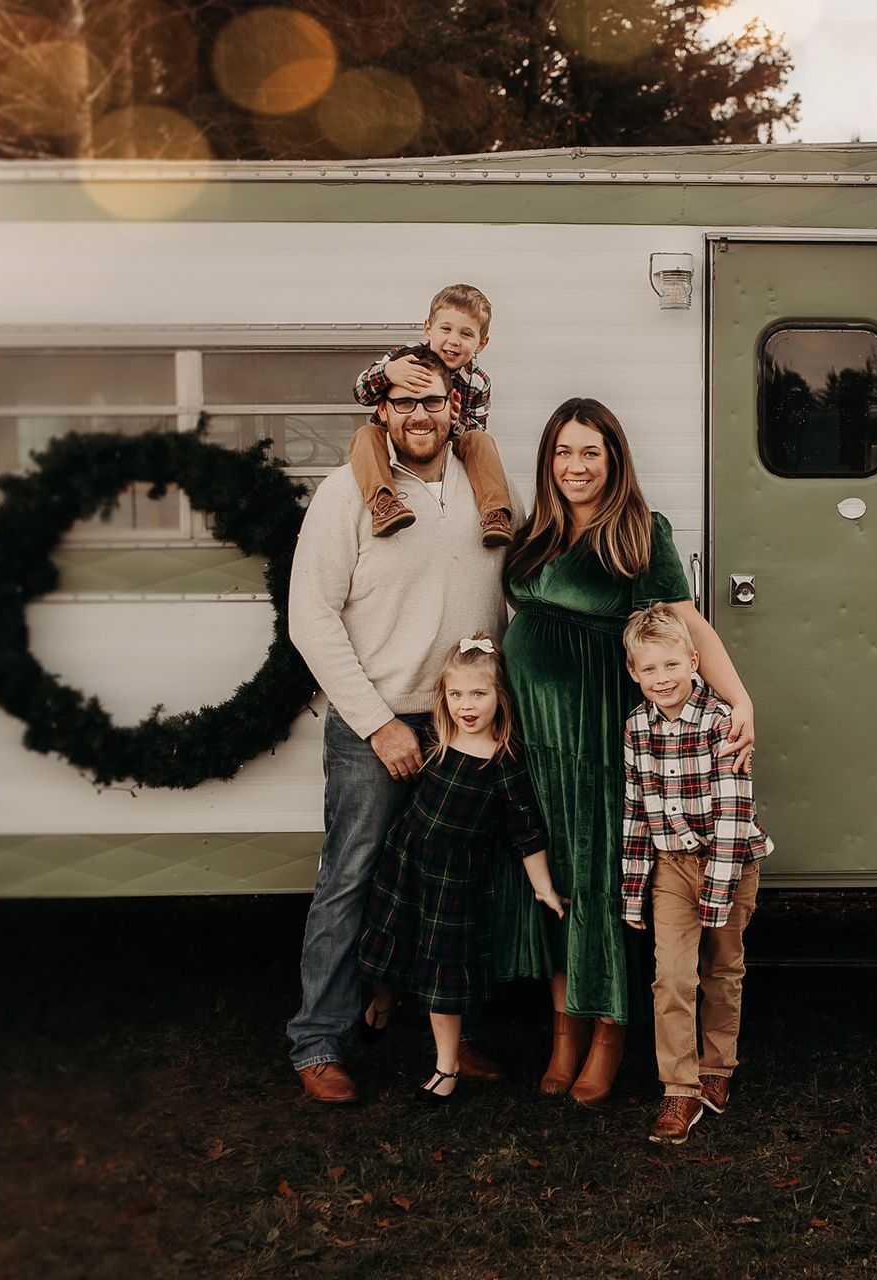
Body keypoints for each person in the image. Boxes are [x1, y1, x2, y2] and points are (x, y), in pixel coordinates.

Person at [491, 397, 757, 1107]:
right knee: (551, 882)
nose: (575, 466)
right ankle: (563, 1032)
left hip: (601, 742)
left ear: (613, 461)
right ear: (548, 460)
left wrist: (741, 701)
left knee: (602, 885)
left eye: (590, 453)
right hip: (539, 744)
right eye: (563, 452)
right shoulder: (535, 532)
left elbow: (690, 624)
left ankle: (608, 1034)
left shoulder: (641, 532)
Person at [285, 344, 512, 1105]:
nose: (420, 415)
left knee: (454, 886)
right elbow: (311, 619)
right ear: (380, 411)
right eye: (404, 402)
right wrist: (380, 724)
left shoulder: (487, 489)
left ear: (458, 408)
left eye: (433, 401)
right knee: (349, 879)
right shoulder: (347, 494)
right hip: (375, 724)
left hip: (464, 725)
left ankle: (451, 1039)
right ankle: (318, 1041)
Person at [355, 636, 567, 1102]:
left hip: (455, 880)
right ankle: (385, 1001)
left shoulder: (503, 760)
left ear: (500, 698)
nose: (466, 706)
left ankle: (446, 1066)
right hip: (408, 860)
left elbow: (526, 831)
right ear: (443, 697)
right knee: (392, 942)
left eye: (479, 695)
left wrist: (544, 888)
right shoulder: (437, 738)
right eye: (456, 695)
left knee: (443, 970)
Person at [619, 605, 772, 1144]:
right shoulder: (637, 726)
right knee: (672, 978)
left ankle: (717, 1068)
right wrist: (634, 891)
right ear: (634, 673)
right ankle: (679, 1090)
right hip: (671, 868)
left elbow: (733, 814)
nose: (662, 678)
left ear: (694, 662)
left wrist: (717, 894)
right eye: (649, 669)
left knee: (722, 970)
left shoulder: (721, 721)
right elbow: (636, 810)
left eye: (671, 665)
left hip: (728, 862)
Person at [349, 284, 513, 545]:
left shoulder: (478, 381)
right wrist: (388, 373)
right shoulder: (403, 358)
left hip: (446, 445)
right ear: (428, 328)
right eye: (445, 329)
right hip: (395, 438)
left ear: (481, 343)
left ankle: (496, 513)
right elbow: (361, 393)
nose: (454, 340)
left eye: (466, 334)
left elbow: (477, 430)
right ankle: (383, 503)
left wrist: (458, 420)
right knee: (365, 435)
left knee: (483, 442)